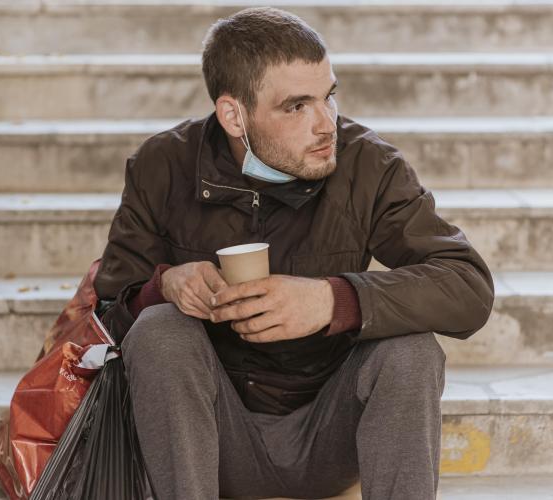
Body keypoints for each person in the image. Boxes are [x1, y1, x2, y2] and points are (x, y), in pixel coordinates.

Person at [94, 6, 494, 500]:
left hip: (330, 435)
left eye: (329, 97)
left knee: (411, 350)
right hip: (213, 441)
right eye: (296, 107)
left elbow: (468, 287)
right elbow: (106, 317)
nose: (326, 124)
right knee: (158, 330)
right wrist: (164, 286)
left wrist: (334, 300)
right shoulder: (163, 165)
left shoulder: (369, 164)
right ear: (233, 115)